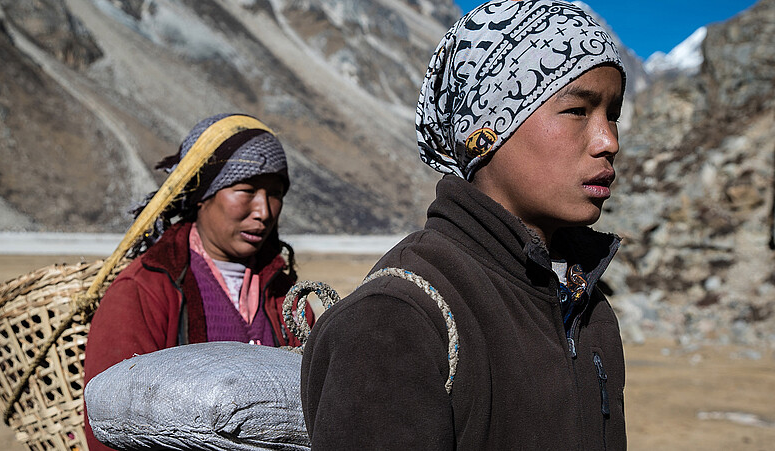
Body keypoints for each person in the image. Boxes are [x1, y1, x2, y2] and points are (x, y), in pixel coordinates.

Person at [301, 0, 627, 449]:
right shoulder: (396, 318)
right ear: (490, 129)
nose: (609, 140)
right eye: (577, 111)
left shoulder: (588, 307)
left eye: (613, 113)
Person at [84, 113, 312, 451]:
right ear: (201, 196)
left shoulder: (286, 296)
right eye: (246, 190)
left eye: (275, 193)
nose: (263, 210)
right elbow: (108, 427)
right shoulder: (145, 290)